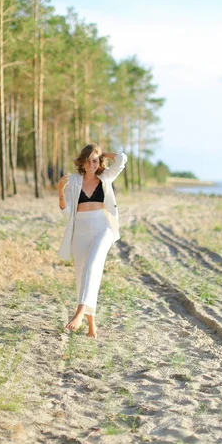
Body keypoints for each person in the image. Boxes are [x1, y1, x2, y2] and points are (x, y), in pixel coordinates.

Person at [58, 143, 127, 338]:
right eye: (88, 160)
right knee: (83, 274)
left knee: (92, 265)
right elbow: (67, 212)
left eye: (95, 160)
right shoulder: (73, 181)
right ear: (82, 162)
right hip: (80, 230)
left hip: (103, 228)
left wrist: (101, 152)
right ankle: (91, 328)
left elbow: (122, 159)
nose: (91, 164)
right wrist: (60, 191)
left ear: (100, 161)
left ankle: (79, 313)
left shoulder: (105, 177)